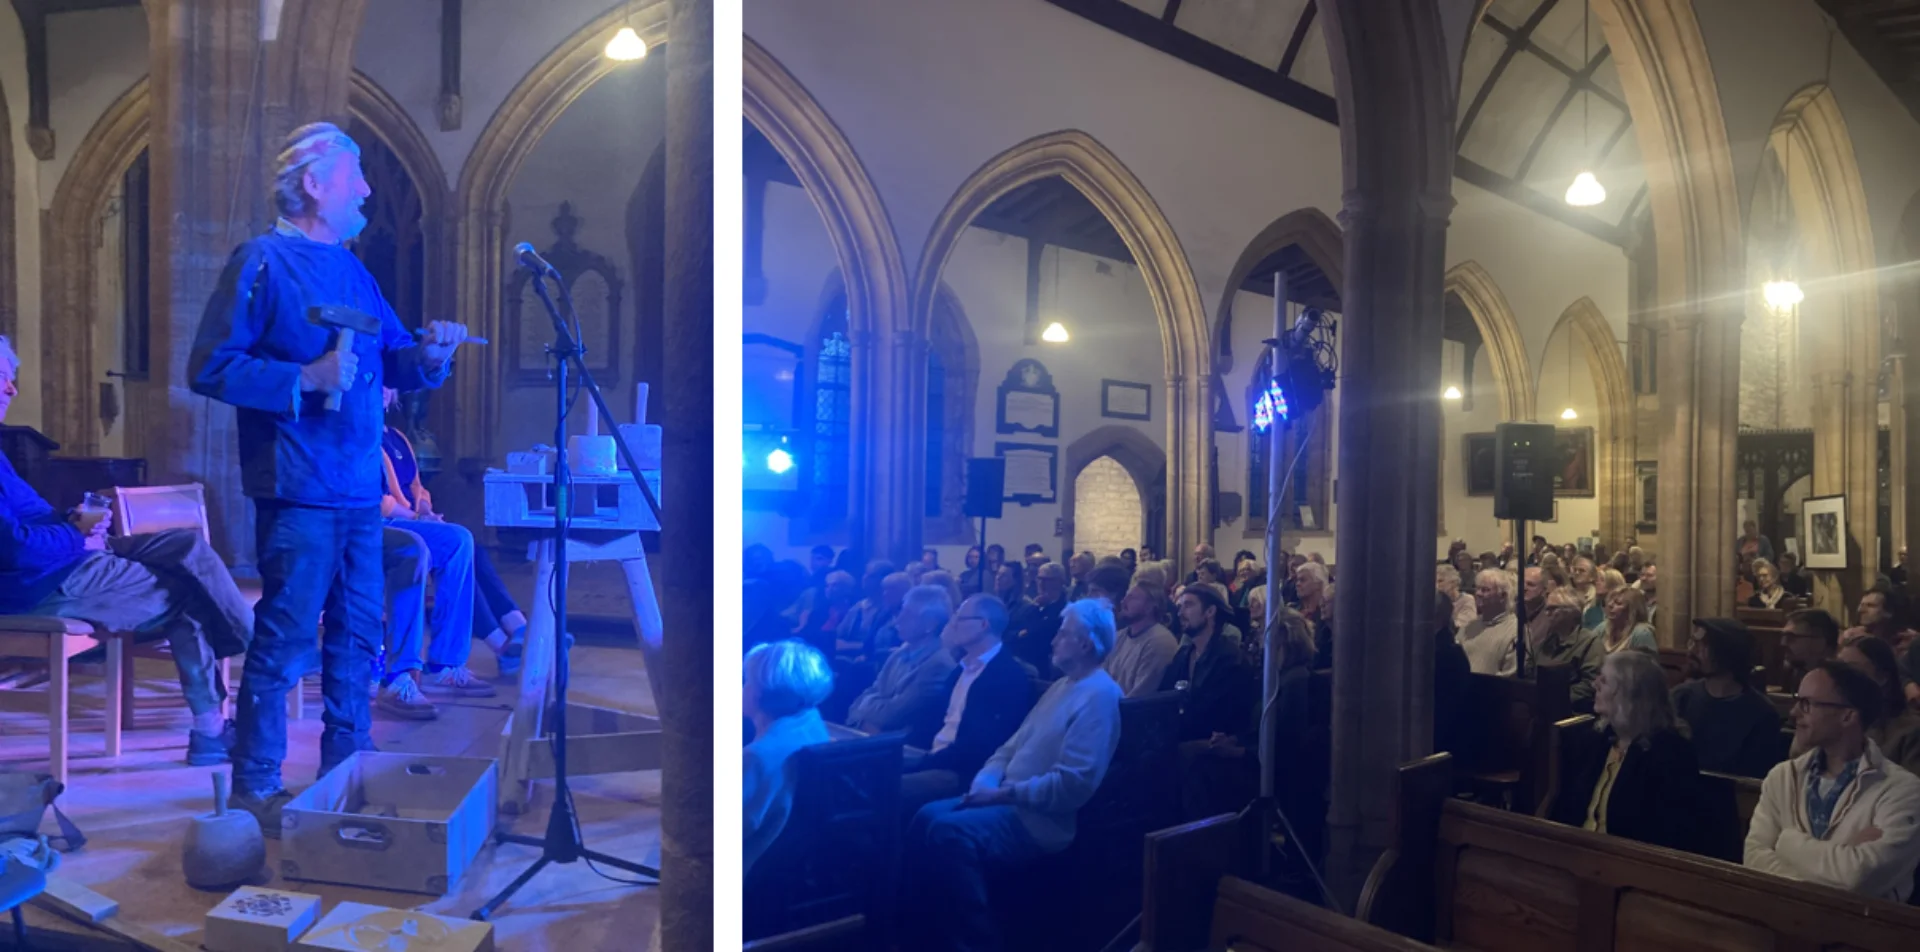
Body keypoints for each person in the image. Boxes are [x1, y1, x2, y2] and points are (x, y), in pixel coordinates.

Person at [189, 123, 467, 829]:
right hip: (297, 487)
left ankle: (349, 770)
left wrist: (431, 354)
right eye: (356, 177)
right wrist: (304, 376)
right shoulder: (262, 261)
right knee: (283, 639)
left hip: (355, 490)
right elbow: (211, 366)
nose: (368, 189)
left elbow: (398, 357)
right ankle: (255, 787)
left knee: (357, 635)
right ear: (314, 184)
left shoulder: (355, 271)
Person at [0, 336, 255, 766]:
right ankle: (220, 716)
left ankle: (250, 654)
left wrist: (74, 521)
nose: (12, 390)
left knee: (186, 546)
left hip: (63, 559)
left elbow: (25, 525)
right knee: (189, 590)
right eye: (3, 379)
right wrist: (76, 535)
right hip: (43, 582)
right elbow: (15, 550)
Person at [906, 599, 1123, 952]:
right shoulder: (1062, 686)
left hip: (1039, 820)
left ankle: (977, 941)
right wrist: (986, 781)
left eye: (1062, 634)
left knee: (947, 831)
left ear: (1085, 644)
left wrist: (1004, 794)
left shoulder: (1100, 696)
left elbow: (1073, 785)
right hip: (1006, 798)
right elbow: (1010, 747)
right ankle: (924, 932)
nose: (1053, 640)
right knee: (924, 816)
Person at [1744, 662, 1920, 902]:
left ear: (1847, 716)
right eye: (1797, 700)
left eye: (1807, 704)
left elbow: (1858, 877)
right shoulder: (1782, 776)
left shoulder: (1902, 790)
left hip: (1863, 935)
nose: (1794, 712)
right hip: (1779, 920)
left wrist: (1786, 841)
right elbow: (1753, 858)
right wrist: (1840, 857)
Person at [375, 389, 494, 697]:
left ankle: (445, 664)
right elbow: (379, 501)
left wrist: (425, 509)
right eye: (379, 386)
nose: (384, 393)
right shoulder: (362, 433)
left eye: (389, 388)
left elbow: (416, 486)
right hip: (381, 522)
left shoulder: (398, 437)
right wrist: (417, 518)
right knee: (415, 544)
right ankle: (403, 670)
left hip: (411, 516)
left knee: (459, 539)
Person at [1550, 650, 1711, 854]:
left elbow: (1666, 837)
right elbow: (1565, 811)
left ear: (1630, 695)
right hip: (1579, 858)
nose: (1594, 685)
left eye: (1605, 681)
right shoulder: (1597, 742)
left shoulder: (1671, 754)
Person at [899, 595, 1037, 815]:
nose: (952, 624)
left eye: (960, 618)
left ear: (983, 625)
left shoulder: (1005, 676)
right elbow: (933, 719)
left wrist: (924, 761)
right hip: (933, 755)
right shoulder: (963, 668)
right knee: (866, 769)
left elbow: (977, 747)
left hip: (959, 771)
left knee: (885, 786)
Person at [743, 640, 834, 874]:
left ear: (760, 695)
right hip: (798, 867)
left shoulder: (758, 757)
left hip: (751, 873)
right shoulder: (811, 722)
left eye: (747, 682)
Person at [1671, 619, 1787, 778]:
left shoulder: (1761, 714)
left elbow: (1751, 782)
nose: (1692, 651)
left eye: (1702, 645)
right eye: (1693, 642)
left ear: (1727, 653)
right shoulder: (1680, 697)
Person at [845, 585, 958, 735]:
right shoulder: (899, 653)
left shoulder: (939, 665)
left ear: (930, 624)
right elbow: (866, 695)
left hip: (904, 749)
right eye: (901, 612)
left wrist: (863, 713)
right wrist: (861, 721)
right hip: (875, 738)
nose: (898, 620)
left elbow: (893, 715)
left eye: (908, 615)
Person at [1159, 585, 1256, 744]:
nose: (1180, 613)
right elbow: (1163, 698)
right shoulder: (1183, 655)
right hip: (1179, 741)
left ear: (1210, 611)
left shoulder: (1231, 659)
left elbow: (1220, 717)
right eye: (1179, 607)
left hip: (1211, 751)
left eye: (1188, 605)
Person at [1524, 567, 1604, 711]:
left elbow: (1590, 683)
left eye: (1553, 609)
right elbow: (1531, 670)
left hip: (1570, 711)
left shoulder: (1589, 642)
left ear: (1571, 612)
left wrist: (1555, 697)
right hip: (1539, 707)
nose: (1547, 613)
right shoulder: (1548, 640)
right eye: (1547, 608)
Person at [1839, 635, 1920, 778]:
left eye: (1852, 670)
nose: (1840, 680)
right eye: (1839, 669)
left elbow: (1912, 791)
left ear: (1882, 677)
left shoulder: (1910, 732)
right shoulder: (1834, 721)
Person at [1103, 582, 1179, 697]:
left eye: (1132, 598)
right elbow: (1102, 678)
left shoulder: (1159, 641)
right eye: (1125, 597)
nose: (1123, 602)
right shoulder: (1118, 637)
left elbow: (1141, 694)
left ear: (1149, 607)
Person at [1457, 568, 1519, 676]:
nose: (1478, 593)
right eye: (1477, 589)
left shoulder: (1515, 631)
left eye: (1485, 590)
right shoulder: (1469, 626)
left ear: (1503, 596)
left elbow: (1509, 676)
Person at [1784, 608, 1841, 695]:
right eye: (1783, 636)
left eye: (1791, 637)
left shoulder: (1839, 685)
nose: (1783, 643)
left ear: (1820, 642)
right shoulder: (1793, 673)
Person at [1595, 585, 1657, 655]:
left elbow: (1646, 664)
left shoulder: (1642, 633)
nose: (1610, 605)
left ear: (1632, 610)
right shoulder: (1602, 628)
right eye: (1609, 601)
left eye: (1618, 603)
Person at [1437, 564, 1477, 632]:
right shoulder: (1436, 601)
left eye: (1440, 581)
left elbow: (1465, 624)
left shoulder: (1467, 600)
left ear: (1454, 583)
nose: (1436, 586)